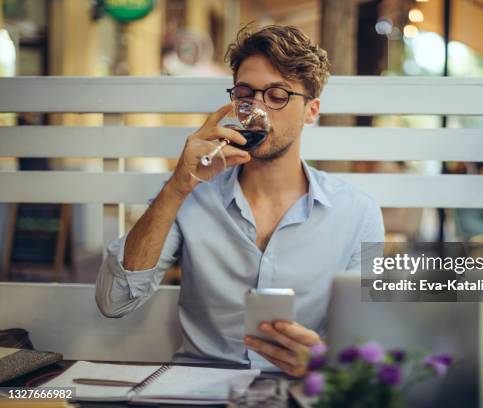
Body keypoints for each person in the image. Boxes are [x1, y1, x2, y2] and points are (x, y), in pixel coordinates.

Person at [95, 24, 384, 377]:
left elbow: (365, 342)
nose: (256, 109)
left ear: (311, 110)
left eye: (277, 95)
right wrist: (176, 187)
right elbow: (115, 301)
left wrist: (323, 361)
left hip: (295, 391)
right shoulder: (192, 194)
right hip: (197, 391)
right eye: (246, 94)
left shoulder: (357, 212)